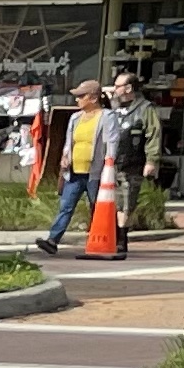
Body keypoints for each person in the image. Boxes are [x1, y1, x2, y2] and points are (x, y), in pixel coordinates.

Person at [36, 81, 107, 254]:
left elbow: (111, 142)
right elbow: (69, 142)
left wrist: (110, 164)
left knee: (97, 207)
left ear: (94, 98)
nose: (77, 99)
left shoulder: (106, 117)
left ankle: (102, 239)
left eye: (82, 96)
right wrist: (65, 156)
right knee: (66, 206)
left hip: (96, 171)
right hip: (75, 171)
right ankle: (53, 240)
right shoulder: (76, 118)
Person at [98, 72, 152, 258]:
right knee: (111, 201)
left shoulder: (144, 109)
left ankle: (122, 239)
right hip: (111, 163)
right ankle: (112, 236)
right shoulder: (112, 108)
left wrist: (152, 160)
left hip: (132, 162)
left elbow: (153, 135)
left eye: (117, 86)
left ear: (128, 88)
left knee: (126, 201)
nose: (114, 89)